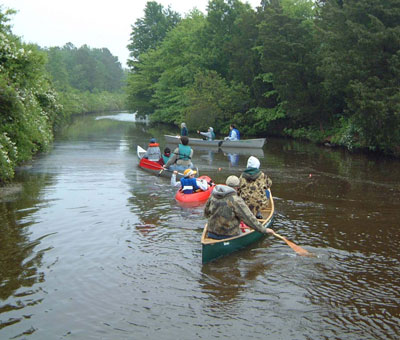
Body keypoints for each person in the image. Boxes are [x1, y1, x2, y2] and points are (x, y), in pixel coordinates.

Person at [204, 175, 274, 239]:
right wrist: (264, 229)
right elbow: (248, 218)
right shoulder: (236, 200)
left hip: (211, 233)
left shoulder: (213, 195)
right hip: (228, 235)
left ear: (226, 184)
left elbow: (206, 213)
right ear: (237, 187)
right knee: (245, 230)